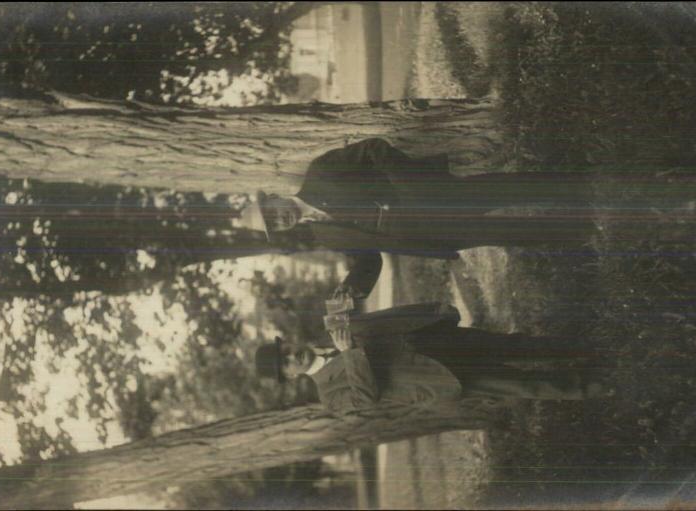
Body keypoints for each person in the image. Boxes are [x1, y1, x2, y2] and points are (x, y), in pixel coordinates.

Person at [238, 138, 601, 298]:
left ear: (273, 197)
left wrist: (415, 190)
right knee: (509, 232)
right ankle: (586, 231)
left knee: (506, 190)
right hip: (433, 236)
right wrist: (354, 289)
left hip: (435, 195)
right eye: (275, 226)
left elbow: (374, 149)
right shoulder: (322, 234)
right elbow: (367, 258)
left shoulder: (321, 175)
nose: (281, 220)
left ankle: (586, 187)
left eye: (273, 214)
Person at [254, 302, 605, 413]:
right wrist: (349, 355)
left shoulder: (332, 329)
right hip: (437, 378)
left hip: (437, 341)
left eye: (285, 350)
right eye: (286, 363)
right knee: (522, 383)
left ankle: (590, 348)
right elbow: (366, 398)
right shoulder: (330, 396)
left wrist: (434, 312)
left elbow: (386, 319)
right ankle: (596, 384)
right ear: (290, 377)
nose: (292, 356)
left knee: (514, 346)